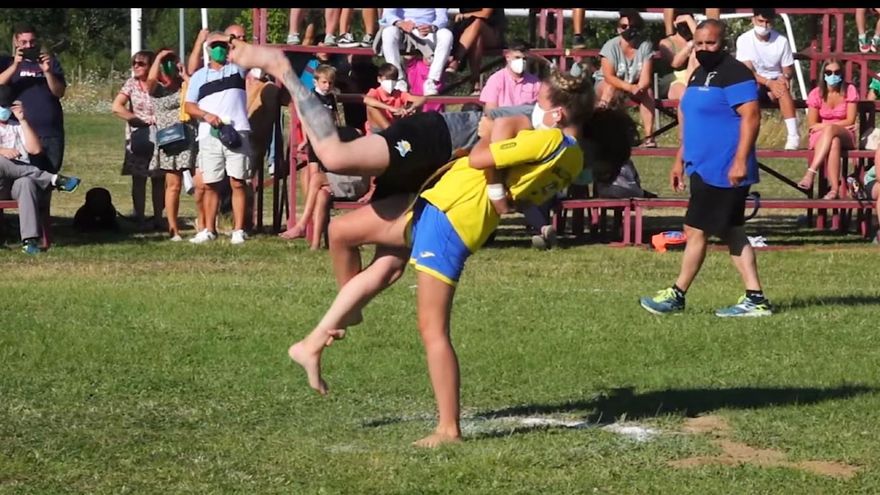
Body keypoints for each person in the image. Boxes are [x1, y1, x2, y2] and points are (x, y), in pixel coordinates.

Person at [286, 105, 635, 448]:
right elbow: (513, 184)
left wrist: (487, 134)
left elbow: (488, 153)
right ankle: (314, 343)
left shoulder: (553, 144)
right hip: (439, 203)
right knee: (344, 232)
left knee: (433, 330)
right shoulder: (566, 164)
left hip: (451, 220)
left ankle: (448, 429)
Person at [639, 19, 773, 318]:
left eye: (710, 43)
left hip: (725, 167)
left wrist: (740, 160)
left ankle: (677, 293)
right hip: (701, 164)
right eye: (698, 43)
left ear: (722, 43)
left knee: (695, 229)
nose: (703, 48)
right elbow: (691, 118)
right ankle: (755, 298)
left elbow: (751, 117)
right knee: (732, 230)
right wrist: (680, 158)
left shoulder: (735, 73)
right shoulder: (699, 73)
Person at [184, 31, 252, 245]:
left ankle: (238, 230)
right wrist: (206, 115)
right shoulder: (198, 76)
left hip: (237, 130)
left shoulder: (237, 70)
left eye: (223, 45)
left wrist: (231, 39)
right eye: (215, 45)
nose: (220, 49)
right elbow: (189, 106)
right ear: (208, 49)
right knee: (211, 183)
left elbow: (249, 53)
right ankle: (209, 229)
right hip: (209, 134)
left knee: (238, 182)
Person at [0, 85, 80, 254]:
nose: (3, 110)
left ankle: (30, 241)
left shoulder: (17, 125)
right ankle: (53, 179)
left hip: (16, 182)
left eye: (6, 106)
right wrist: (2, 151)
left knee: (26, 183)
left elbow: (35, 150)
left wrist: (23, 120)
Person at [0, 23, 67, 174]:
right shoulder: (7, 63)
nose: (29, 46)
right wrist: (15, 65)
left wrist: (48, 72)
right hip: (21, 131)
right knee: (26, 177)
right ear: (16, 42)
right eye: (24, 42)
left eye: (32, 42)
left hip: (50, 131)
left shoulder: (51, 63)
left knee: (49, 178)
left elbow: (59, 92)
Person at [111, 50, 166, 231]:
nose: (136, 66)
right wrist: (135, 120)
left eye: (141, 63)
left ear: (151, 67)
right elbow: (117, 106)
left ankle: (159, 218)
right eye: (134, 63)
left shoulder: (161, 84)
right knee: (139, 179)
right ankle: (140, 218)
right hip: (139, 136)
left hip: (160, 134)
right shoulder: (131, 84)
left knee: (159, 179)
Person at [148, 48, 197, 241]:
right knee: (173, 185)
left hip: (189, 138)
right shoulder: (157, 89)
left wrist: (184, 75)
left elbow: (198, 91)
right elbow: (149, 85)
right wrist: (159, 58)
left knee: (201, 184)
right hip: (170, 141)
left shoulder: (185, 86)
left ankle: (205, 225)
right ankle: (173, 228)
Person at [735, 8, 800, 151]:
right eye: (760, 21)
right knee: (751, 91)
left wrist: (785, 77)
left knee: (782, 89)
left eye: (767, 22)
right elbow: (747, 72)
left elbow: (788, 68)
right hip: (754, 81)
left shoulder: (781, 41)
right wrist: (769, 83)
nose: (764, 25)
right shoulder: (744, 40)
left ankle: (793, 135)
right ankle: (747, 137)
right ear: (753, 20)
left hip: (776, 81)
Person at [593, 9, 657, 148]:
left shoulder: (645, 46)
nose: (628, 30)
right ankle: (602, 131)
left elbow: (646, 79)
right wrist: (630, 87)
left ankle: (649, 136)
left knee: (648, 93)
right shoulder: (610, 46)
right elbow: (609, 76)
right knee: (610, 89)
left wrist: (639, 88)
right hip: (608, 83)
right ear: (618, 29)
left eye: (632, 27)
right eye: (624, 26)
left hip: (633, 84)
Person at [796, 58, 858, 200]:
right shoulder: (816, 94)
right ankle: (834, 189)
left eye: (836, 72)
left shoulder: (850, 90)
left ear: (842, 73)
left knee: (831, 131)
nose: (832, 75)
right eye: (828, 72)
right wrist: (825, 127)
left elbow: (850, 120)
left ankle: (811, 172)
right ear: (823, 74)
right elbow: (812, 124)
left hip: (845, 133)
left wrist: (825, 126)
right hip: (821, 136)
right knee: (834, 141)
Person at [377, 8, 453, 95]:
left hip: (428, 32)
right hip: (403, 32)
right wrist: (401, 23)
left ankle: (432, 81)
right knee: (388, 32)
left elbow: (443, 18)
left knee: (446, 35)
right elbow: (387, 14)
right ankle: (398, 79)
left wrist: (432, 27)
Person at [446, 8, 506, 94]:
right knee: (476, 38)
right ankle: (475, 82)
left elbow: (485, 14)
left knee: (477, 23)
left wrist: (464, 15)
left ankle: (456, 60)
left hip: (492, 33)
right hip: (471, 35)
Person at [479, 40, 542, 112]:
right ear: (507, 57)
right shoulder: (495, 80)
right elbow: (490, 110)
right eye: (517, 57)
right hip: (501, 121)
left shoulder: (535, 83)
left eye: (525, 59)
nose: (521, 61)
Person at [363, 63, 426, 135]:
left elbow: (422, 99)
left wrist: (410, 109)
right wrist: (391, 108)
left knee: (418, 106)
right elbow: (366, 100)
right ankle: (393, 133)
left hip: (394, 126)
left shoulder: (399, 93)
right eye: (387, 79)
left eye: (393, 79)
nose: (390, 82)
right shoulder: (375, 92)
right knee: (371, 107)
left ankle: (397, 133)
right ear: (379, 79)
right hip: (377, 130)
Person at [657, 11, 698, 101]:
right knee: (687, 96)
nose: (685, 26)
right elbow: (675, 63)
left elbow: (701, 38)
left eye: (687, 23)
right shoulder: (666, 42)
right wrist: (690, 45)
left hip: (693, 78)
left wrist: (689, 19)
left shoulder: (697, 42)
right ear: (675, 23)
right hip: (672, 81)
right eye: (682, 23)